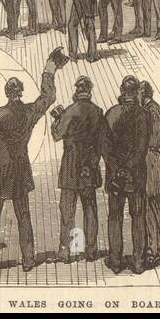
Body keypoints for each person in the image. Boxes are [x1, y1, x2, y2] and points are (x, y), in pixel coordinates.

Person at [0, 50, 63, 271]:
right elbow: (48, 97)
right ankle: (28, 259)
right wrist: (49, 69)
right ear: (21, 92)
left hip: (0, 168)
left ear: (7, 92)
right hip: (20, 166)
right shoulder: (29, 111)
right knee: (23, 214)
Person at [52, 75, 103, 263]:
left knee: (67, 210)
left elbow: (57, 134)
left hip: (71, 167)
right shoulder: (98, 111)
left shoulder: (70, 111)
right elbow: (101, 140)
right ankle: (91, 250)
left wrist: (57, 119)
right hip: (89, 166)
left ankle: (65, 251)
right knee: (90, 208)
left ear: (77, 91)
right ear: (89, 91)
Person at [100, 75, 149, 273]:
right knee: (138, 216)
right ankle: (139, 262)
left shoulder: (111, 113)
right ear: (136, 91)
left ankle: (115, 260)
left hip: (115, 176)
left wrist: (117, 168)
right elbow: (142, 148)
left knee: (115, 217)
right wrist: (129, 168)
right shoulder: (143, 115)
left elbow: (104, 147)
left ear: (121, 91)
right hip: (135, 176)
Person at [139, 80, 160, 264]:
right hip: (156, 160)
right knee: (154, 206)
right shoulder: (157, 109)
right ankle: (158, 249)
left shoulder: (150, 112)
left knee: (154, 206)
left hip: (151, 161)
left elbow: (149, 139)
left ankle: (158, 250)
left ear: (141, 94)